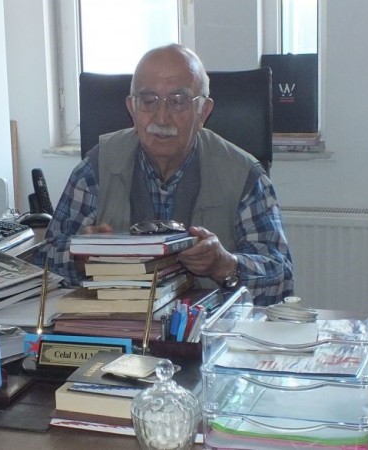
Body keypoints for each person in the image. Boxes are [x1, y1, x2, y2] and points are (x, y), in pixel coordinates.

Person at [35, 44, 293, 306]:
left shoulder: (244, 176)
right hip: (118, 321)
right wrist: (79, 258)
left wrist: (225, 264)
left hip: (208, 325)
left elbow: (281, 280)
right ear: (132, 108)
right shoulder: (97, 168)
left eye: (179, 101)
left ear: (203, 112)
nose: (162, 118)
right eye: (149, 101)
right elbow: (44, 261)